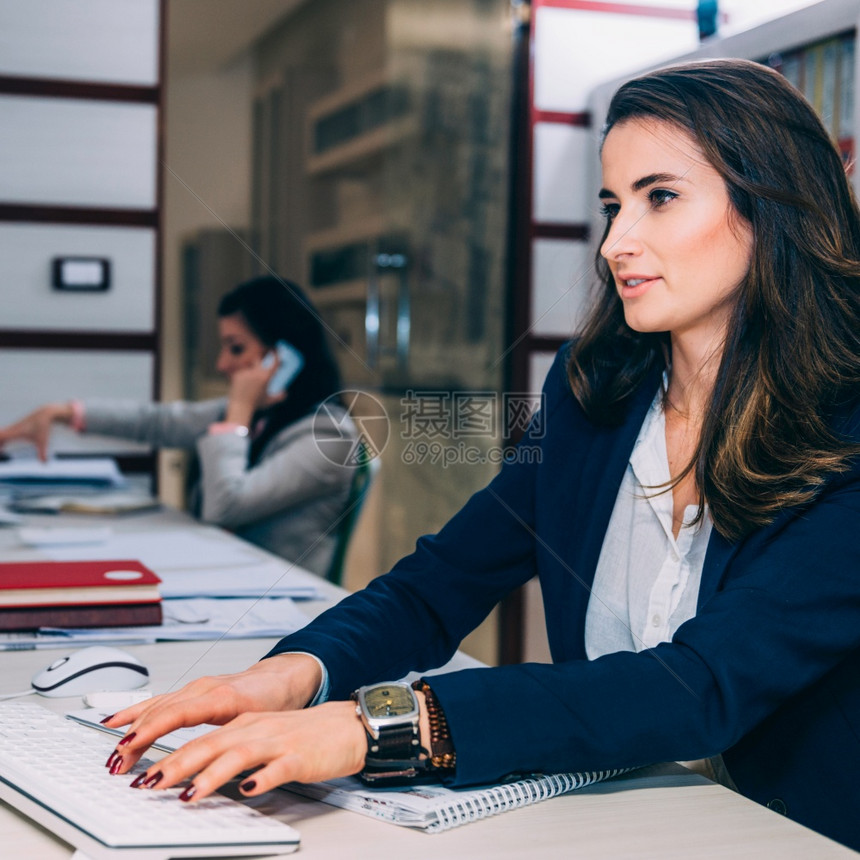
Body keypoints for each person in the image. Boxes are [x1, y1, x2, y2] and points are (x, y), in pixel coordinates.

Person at [98, 60, 860, 849]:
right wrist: (285, 676)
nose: (615, 243)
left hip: (788, 832)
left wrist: (381, 726)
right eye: (611, 206)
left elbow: (700, 687)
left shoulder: (849, 429)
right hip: (608, 810)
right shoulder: (593, 395)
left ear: (770, 205)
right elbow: (440, 585)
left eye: (659, 197)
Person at [0, 276, 358, 578]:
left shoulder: (329, 437)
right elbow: (158, 422)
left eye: (236, 349)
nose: (222, 364)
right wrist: (64, 412)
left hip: (279, 604)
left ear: (284, 359)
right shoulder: (257, 415)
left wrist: (238, 412)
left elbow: (226, 506)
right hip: (223, 579)